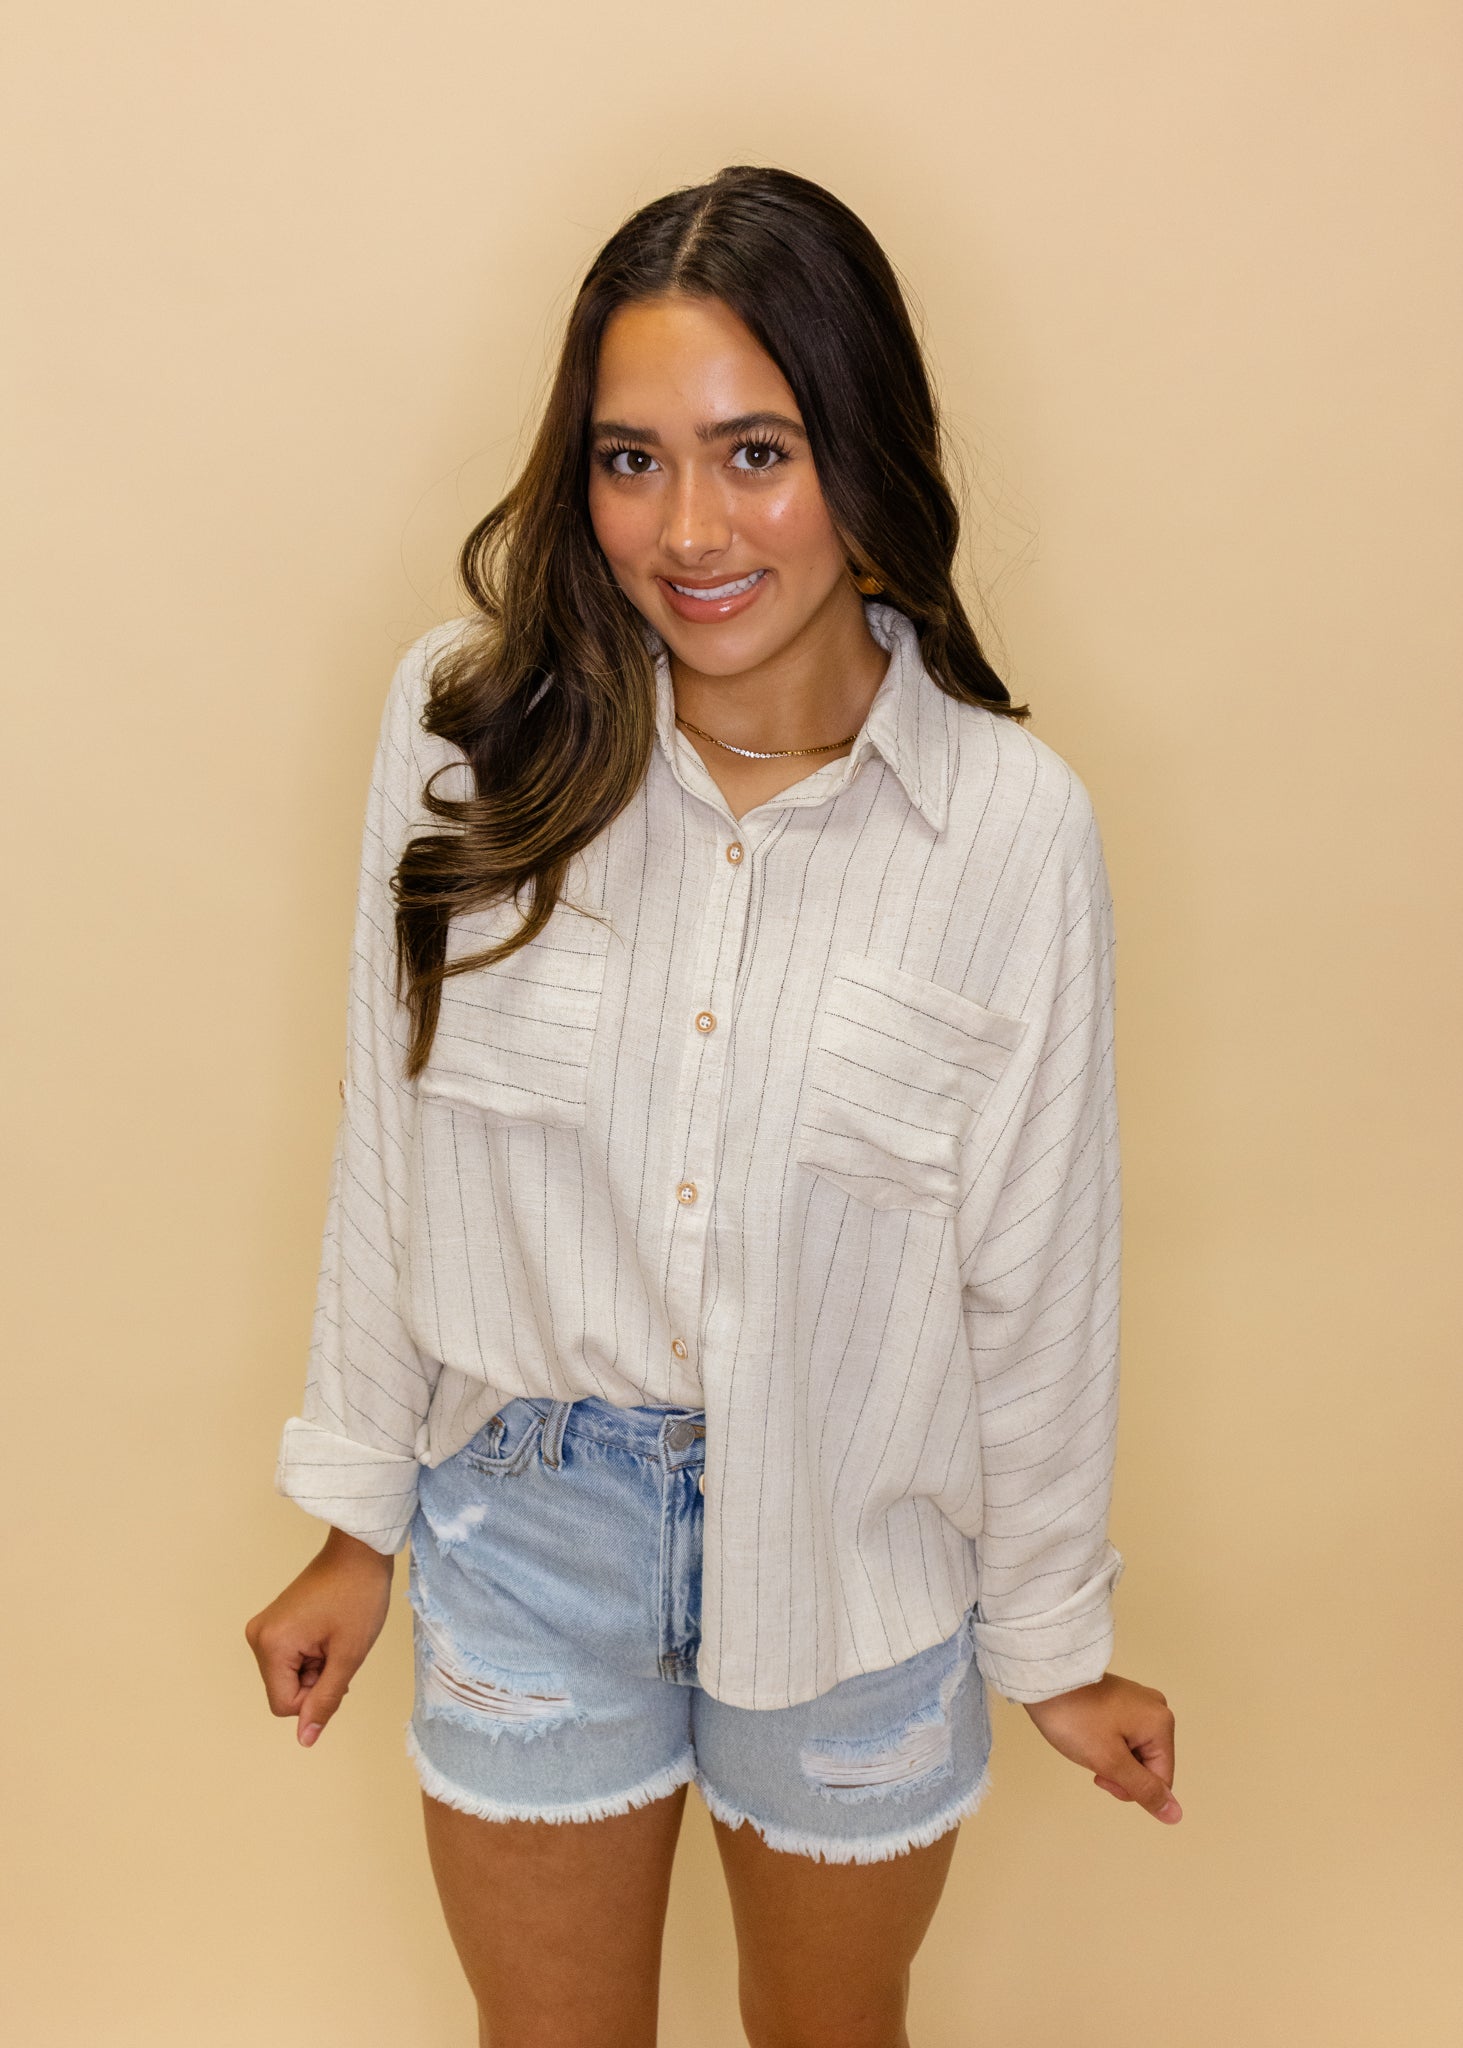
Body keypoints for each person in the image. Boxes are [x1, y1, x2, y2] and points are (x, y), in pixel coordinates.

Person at [245, 164, 1180, 2048]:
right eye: (631, 460)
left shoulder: (1008, 831)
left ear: (864, 451)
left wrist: (1054, 1645)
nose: (688, 529)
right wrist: (356, 1517)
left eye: (757, 452)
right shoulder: (465, 734)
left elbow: (1039, 1274)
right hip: (526, 1529)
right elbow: (397, 1144)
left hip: (858, 1547)